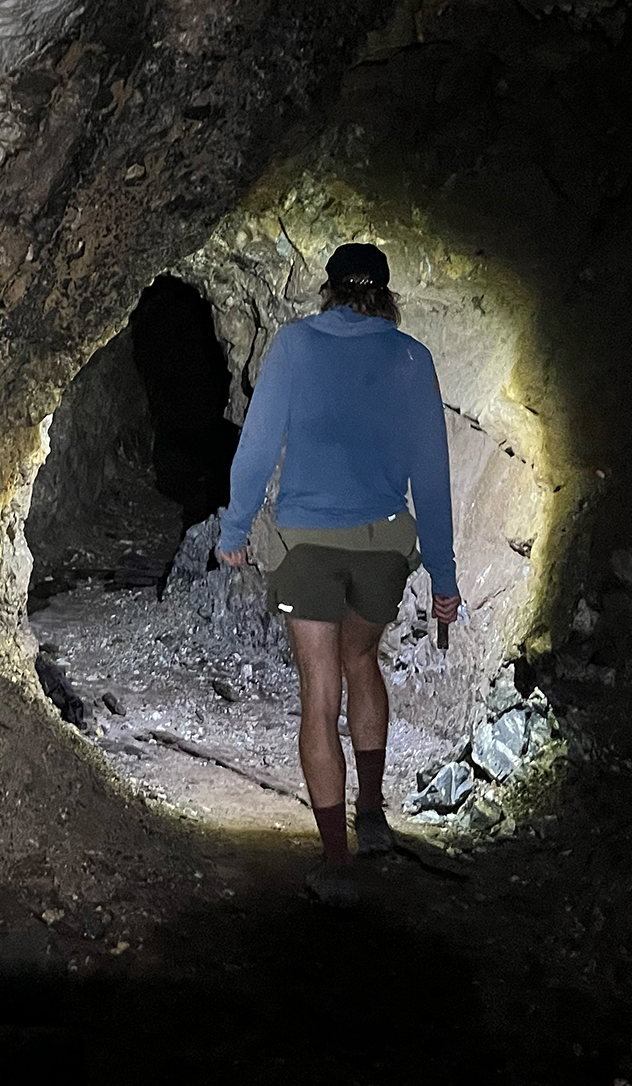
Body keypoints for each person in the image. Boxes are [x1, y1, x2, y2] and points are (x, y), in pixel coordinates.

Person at [215, 242, 460, 904]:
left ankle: (336, 861)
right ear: (384, 297)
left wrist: (235, 532)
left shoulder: (296, 346)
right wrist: (443, 577)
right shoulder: (412, 360)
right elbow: (431, 477)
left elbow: (258, 446)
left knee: (319, 693)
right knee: (362, 663)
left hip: (310, 548)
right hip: (383, 548)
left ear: (328, 290)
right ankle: (373, 815)